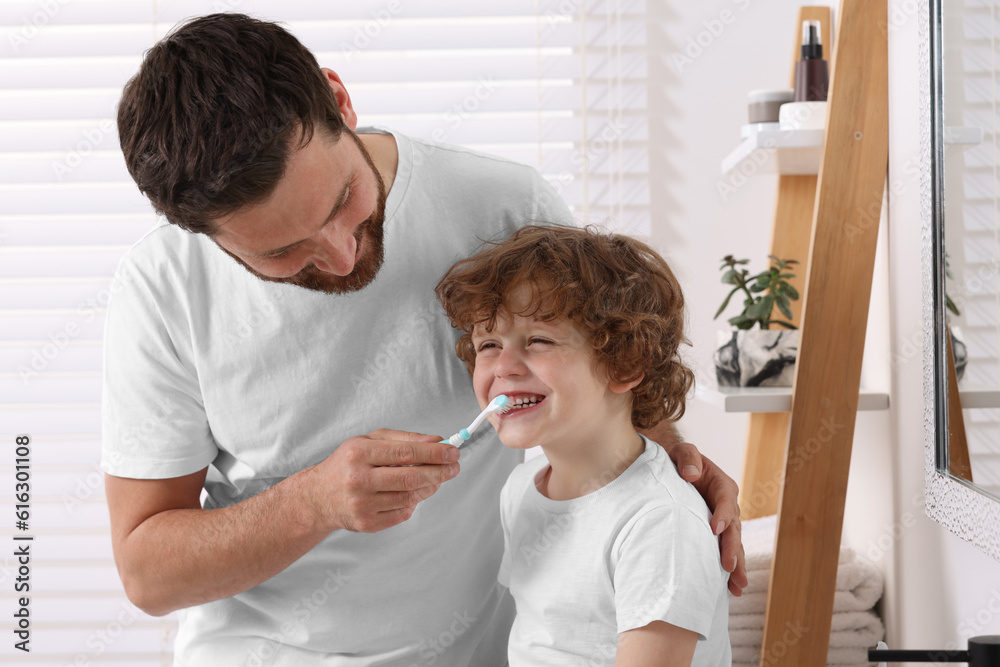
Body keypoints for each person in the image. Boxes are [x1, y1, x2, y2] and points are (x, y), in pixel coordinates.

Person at [102, 12, 746, 666]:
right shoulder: (162, 289)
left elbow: (594, 371)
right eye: (284, 251)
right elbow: (147, 573)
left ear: (340, 99)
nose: (341, 254)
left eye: (343, 201)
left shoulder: (505, 208)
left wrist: (668, 466)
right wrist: (314, 501)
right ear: (202, 235)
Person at [435, 225, 731, 666]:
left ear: (626, 362)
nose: (504, 366)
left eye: (538, 340)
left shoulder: (659, 522)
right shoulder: (522, 489)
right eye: (489, 343)